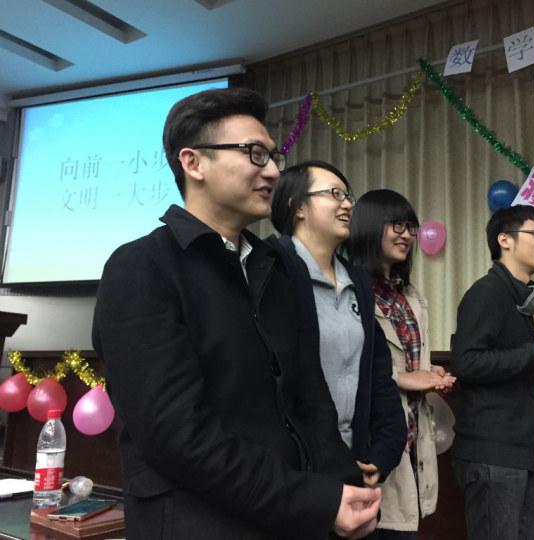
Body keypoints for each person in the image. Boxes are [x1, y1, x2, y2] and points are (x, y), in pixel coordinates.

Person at [92, 88, 381, 540]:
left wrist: (342, 490)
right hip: (198, 524)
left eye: (273, 156)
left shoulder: (276, 267)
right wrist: (316, 502)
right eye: (254, 153)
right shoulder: (141, 267)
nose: (273, 171)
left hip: (293, 520)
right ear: (193, 163)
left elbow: (310, 397)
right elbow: (176, 435)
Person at [269, 161, 406, 491]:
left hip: (352, 462)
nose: (347, 205)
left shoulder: (357, 280)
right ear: (298, 206)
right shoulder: (270, 270)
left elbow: (377, 372)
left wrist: (384, 450)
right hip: (295, 470)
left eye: (348, 196)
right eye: (334, 194)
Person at [346, 189, 456, 539]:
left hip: (410, 442)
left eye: (411, 227)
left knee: (404, 526)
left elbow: (412, 358)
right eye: (397, 225)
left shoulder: (409, 295)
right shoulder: (349, 289)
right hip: (370, 441)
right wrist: (401, 378)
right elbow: (341, 364)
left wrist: (428, 371)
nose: (407, 235)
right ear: (368, 225)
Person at [450, 205, 534, 540]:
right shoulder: (487, 292)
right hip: (492, 451)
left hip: (517, 449)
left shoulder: (517, 296)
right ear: (505, 240)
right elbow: (467, 363)